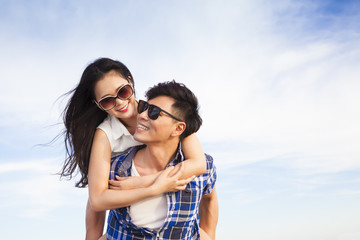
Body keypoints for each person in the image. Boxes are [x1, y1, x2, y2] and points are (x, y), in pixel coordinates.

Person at [60, 58, 207, 239]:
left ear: (130, 81)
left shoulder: (160, 111)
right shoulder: (105, 135)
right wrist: (154, 188)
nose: (120, 102)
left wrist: (141, 182)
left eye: (123, 91)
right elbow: (97, 200)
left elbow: (200, 164)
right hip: (117, 196)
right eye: (107, 101)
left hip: (154, 195)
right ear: (97, 104)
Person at [105, 81, 218, 239]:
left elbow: (209, 198)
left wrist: (209, 235)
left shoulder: (202, 168)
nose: (142, 115)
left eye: (154, 112)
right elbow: (95, 206)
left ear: (178, 128)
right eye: (144, 107)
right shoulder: (114, 169)